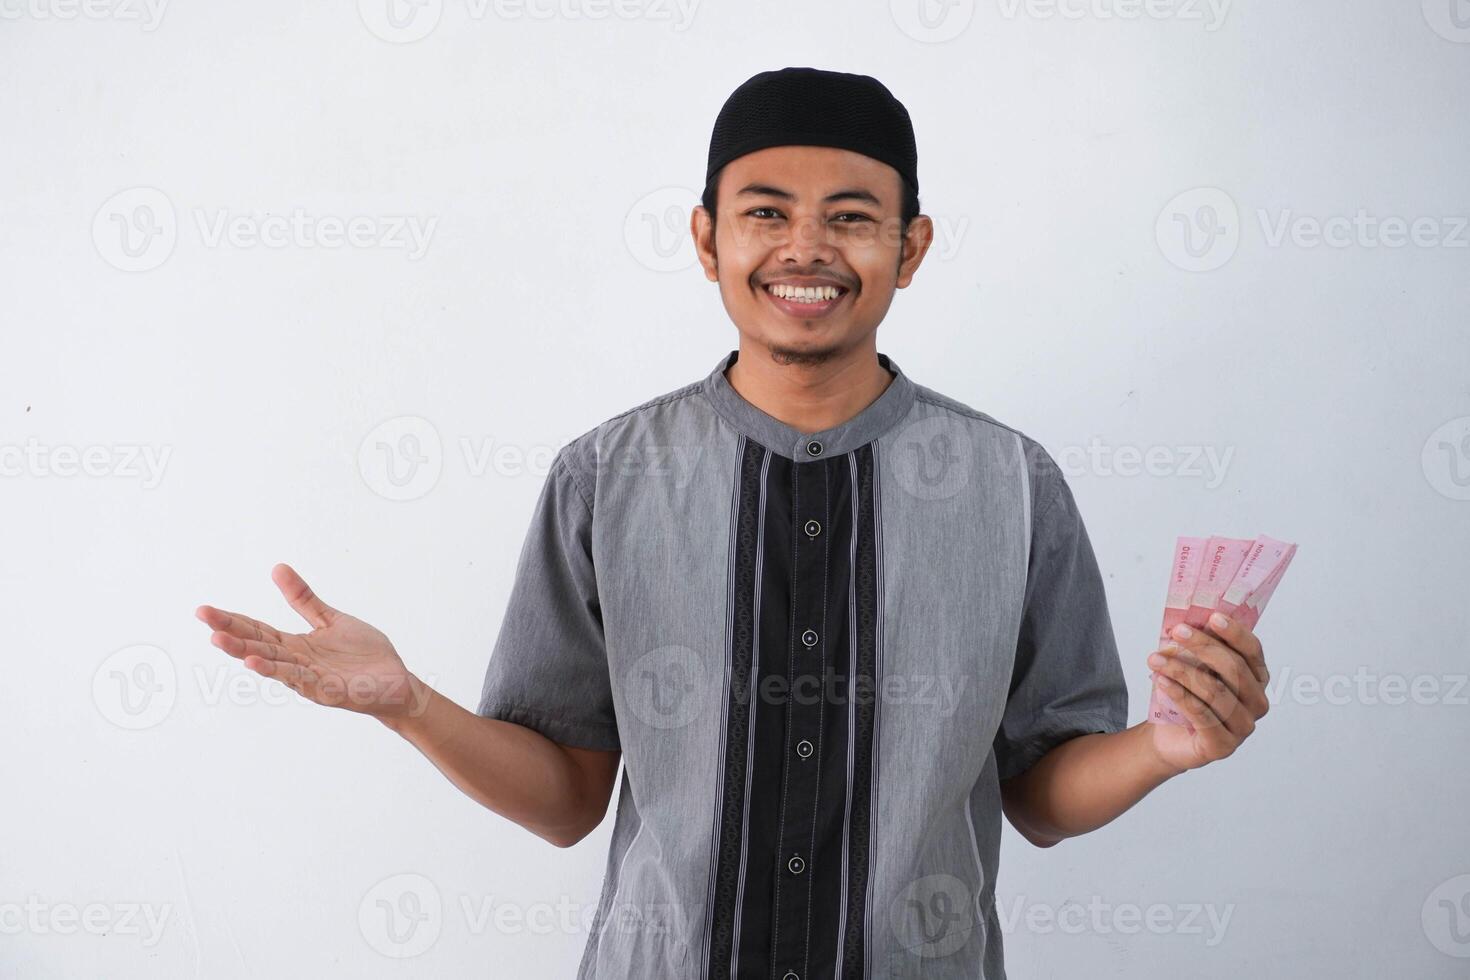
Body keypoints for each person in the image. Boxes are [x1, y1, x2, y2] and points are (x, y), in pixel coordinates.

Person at [195, 66, 1272, 980]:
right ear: (708, 239)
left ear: (912, 246)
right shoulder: (605, 477)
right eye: (766, 212)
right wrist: (407, 703)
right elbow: (569, 794)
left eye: (851, 216)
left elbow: (1043, 789)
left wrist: (1166, 748)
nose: (805, 248)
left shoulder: (1012, 483)